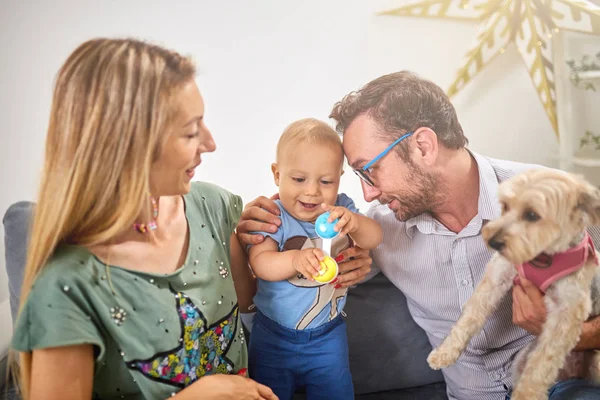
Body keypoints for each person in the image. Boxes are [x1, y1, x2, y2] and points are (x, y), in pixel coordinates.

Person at [236, 71, 600, 400]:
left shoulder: (558, 199)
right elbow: (294, 276)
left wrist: (575, 335)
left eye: (370, 170)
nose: (367, 194)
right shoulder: (381, 229)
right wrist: (251, 233)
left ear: (423, 145)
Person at [10, 38, 277, 400]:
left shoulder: (211, 206)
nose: (210, 143)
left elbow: (254, 307)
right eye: (190, 131)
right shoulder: (66, 288)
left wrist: (308, 244)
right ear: (127, 145)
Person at [246, 118, 383, 400]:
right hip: (273, 337)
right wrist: (294, 260)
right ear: (277, 174)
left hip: (327, 337)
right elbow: (262, 263)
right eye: (299, 179)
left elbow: (375, 238)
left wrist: (354, 223)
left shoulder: (341, 209)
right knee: (266, 394)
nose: (312, 191)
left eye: (325, 181)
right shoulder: (273, 215)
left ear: (339, 178)